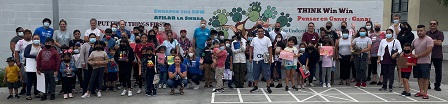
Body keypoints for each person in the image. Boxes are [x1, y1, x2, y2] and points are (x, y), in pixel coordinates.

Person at [412, 25, 433, 99]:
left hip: (425, 62)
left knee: (425, 78)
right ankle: (421, 91)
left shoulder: (429, 39)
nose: (419, 32)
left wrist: (418, 56)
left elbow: (428, 50)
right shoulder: (415, 40)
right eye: (418, 31)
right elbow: (410, 49)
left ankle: (425, 93)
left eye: (421, 31)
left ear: (425, 31)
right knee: (419, 77)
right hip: (417, 62)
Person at [249, 27, 273, 93]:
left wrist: (270, 58)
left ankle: (268, 86)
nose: (260, 32)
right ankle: (255, 86)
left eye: (261, 31)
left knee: (267, 73)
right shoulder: (254, 39)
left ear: (264, 32)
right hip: (256, 59)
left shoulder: (267, 39)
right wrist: (250, 57)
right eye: (259, 31)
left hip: (265, 59)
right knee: (255, 73)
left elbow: (270, 48)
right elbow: (251, 48)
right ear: (257, 32)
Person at [23, 34, 42, 100]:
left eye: (37, 39)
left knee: (37, 80)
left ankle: (36, 93)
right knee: (30, 81)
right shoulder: (29, 46)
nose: (36, 40)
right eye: (35, 39)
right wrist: (34, 57)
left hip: (39, 66)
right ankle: (28, 94)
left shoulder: (41, 46)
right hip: (30, 65)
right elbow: (25, 54)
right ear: (32, 39)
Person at [14, 29, 33, 95]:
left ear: (31, 34)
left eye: (29, 33)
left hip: (33, 62)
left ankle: (35, 90)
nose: (27, 35)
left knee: (33, 77)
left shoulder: (34, 41)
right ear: (24, 35)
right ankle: (23, 88)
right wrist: (17, 61)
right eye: (26, 34)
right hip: (23, 62)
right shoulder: (20, 42)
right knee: (24, 76)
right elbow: (16, 52)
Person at [426, 20, 444, 91]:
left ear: (437, 25)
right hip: (428, 54)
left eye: (434, 24)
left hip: (437, 55)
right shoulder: (426, 33)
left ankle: (437, 85)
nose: (432, 25)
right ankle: (427, 84)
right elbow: (424, 42)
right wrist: (434, 41)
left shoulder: (440, 33)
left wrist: (430, 41)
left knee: (438, 71)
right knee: (427, 70)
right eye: (431, 24)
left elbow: (439, 43)